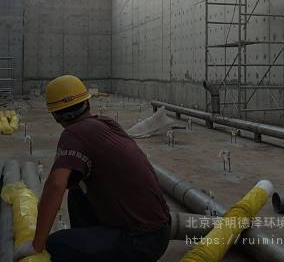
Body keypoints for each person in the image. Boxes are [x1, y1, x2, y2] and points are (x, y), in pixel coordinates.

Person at [14, 75, 170, 262]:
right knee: (76, 191)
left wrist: (36, 245)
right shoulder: (107, 123)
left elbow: (55, 184)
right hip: (158, 231)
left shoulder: (73, 133)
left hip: (140, 241)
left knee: (57, 244)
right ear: (88, 102)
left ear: (55, 115)